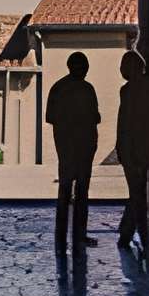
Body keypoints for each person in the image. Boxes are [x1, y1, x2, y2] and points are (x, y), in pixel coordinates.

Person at [45, 50, 100, 254]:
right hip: (83, 146)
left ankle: (61, 236)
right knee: (82, 192)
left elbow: (50, 116)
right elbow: (96, 117)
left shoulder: (58, 88)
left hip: (66, 147)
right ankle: (79, 234)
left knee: (65, 191)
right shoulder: (87, 89)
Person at [115, 47, 149, 253]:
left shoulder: (127, 91)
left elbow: (124, 123)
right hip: (148, 148)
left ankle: (132, 233)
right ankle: (131, 234)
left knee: (136, 193)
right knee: (140, 193)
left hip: (131, 149)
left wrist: (122, 148)